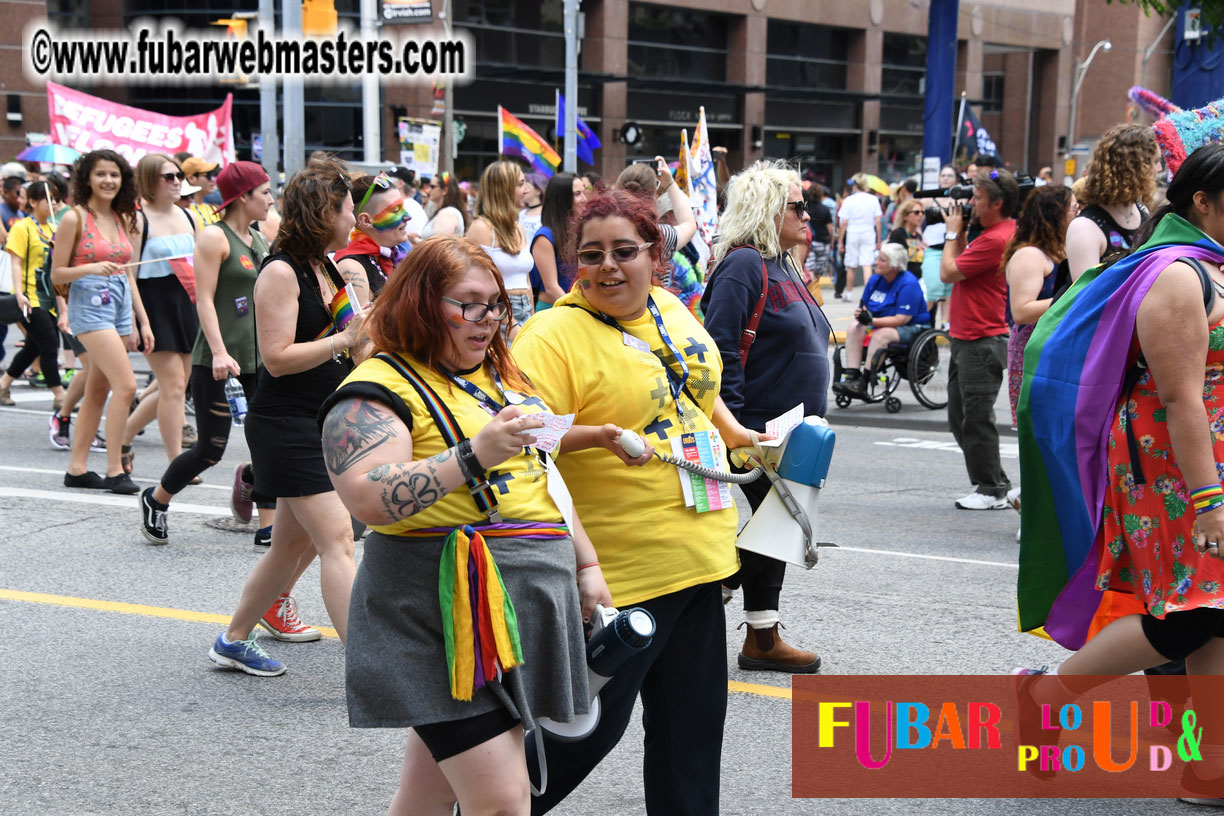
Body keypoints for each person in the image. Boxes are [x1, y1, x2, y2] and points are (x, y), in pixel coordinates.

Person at [319, 235, 604, 816]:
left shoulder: (500, 376)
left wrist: (587, 562)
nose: (488, 318)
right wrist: (474, 453)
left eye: (495, 303)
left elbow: (544, 477)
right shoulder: (378, 387)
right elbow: (368, 499)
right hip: (438, 613)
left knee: (427, 795)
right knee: (501, 802)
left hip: (518, 603)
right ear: (423, 304)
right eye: (468, 304)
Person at [514, 189, 766, 815]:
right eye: (592, 254)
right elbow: (522, 438)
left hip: (702, 559)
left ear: (655, 254)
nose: (607, 267)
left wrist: (735, 434)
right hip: (619, 576)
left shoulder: (669, 307)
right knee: (577, 737)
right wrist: (592, 436)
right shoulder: (551, 336)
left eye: (624, 252)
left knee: (692, 736)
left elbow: (696, 389)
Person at [1013, 143, 1224, 801]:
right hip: (1173, 468)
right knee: (1188, 614)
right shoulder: (1179, 274)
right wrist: (1209, 497)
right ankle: (1044, 696)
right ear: (1203, 200)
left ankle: (1207, 767)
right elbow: (1179, 398)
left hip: (1202, 460)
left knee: (1213, 611)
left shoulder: (1211, 267)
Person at [206, 157, 364, 676]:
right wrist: (344, 339)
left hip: (319, 419)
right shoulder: (280, 271)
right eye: (347, 209)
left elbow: (356, 343)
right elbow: (276, 357)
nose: (354, 219)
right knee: (337, 538)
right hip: (285, 424)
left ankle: (231, 640)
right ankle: (368, 661)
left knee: (290, 548)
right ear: (324, 213)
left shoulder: (329, 267)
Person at [700, 160, 831, 673]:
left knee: (774, 525)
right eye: (797, 206)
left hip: (794, 428)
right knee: (776, 525)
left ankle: (719, 594)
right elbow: (719, 346)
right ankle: (760, 635)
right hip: (756, 426)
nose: (808, 214)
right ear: (767, 209)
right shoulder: (743, 264)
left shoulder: (786, 265)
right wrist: (734, 425)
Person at [138, 162, 283, 557]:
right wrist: (219, 351)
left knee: (266, 442)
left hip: (257, 362)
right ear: (243, 196)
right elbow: (203, 298)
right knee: (210, 449)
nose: (270, 199)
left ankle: (267, 528)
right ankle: (157, 498)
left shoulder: (257, 240)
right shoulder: (213, 238)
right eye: (264, 192)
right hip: (217, 360)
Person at [51, 149, 152, 495]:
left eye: (115, 174)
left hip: (119, 304)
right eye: (100, 174)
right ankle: (114, 469)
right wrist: (90, 268)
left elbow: (129, 276)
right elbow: (56, 274)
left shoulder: (123, 219)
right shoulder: (73, 218)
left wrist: (143, 322)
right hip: (89, 306)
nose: (108, 180)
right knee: (125, 385)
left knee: (98, 388)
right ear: (86, 179)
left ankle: (76, 469)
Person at [939, 168, 1018, 510]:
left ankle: (991, 489)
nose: (971, 203)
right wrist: (962, 232)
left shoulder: (996, 238)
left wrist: (951, 232)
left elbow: (948, 271)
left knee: (976, 417)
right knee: (960, 416)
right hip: (968, 337)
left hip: (982, 339)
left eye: (977, 198)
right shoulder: (994, 232)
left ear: (997, 203)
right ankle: (995, 482)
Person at [118, 154, 198, 475]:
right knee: (174, 385)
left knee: (176, 387)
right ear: (150, 181)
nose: (178, 181)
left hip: (186, 300)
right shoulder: (138, 220)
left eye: (178, 175)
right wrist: (142, 320)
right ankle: (177, 463)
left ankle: (122, 437)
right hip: (153, 302)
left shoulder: (187, 215)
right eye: (169, 176)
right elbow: (129, 275)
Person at [1003, 185, 1075, 428]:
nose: (1078, 215)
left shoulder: (1059, 251)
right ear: (1056, 214)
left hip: (1053, 348)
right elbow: (1021, 311)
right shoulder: (1030, 255)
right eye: (1073, 209)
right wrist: (1073, 296)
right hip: (1033, 352)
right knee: (1038, 432)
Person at [1066, 123, 1160, 283]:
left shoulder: (1141, 210)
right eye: (1156, 161)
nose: (1159, 168)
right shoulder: (1084, 227)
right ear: (1135, 167)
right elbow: (1087, 297)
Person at [0, 181, 66, 409]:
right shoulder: (22, 227)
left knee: (33, 347)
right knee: (49, 344)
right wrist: (19, 293)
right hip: (29, 296)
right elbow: (16, 264)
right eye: (47, 200)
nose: (53, 204)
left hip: (50, 298)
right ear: (31, 202)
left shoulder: (55, 229)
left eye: (56, 199)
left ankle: (3, 385)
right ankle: (60, 396)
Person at [835, 242, 931, 394]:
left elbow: (901, 319)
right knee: (854, 327)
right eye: (877, 258)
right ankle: (852, 376)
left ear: (894, 265)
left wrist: (872, 321)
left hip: (913, 327)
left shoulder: (908, 283)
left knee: (882, 335)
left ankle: (863, 381)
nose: (876, 263)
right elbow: (864, 305)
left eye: (881, 260)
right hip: (882, 322)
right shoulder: (875, 280)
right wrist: (861, 314)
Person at [467, 161, 536, 340]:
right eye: (521, 184)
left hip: (524, 309)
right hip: (497, 313)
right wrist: (508, 321)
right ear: (503, 189)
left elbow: (526, 280)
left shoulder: (519, 227)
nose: (527, 190)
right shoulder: (481, 228)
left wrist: (532, 318)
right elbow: (479, 283)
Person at [333, 173, 412, 306]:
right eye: (395, 210)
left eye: (403, 208)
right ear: (366, 220)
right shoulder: (352, 266)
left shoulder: (391, 256)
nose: (407, 216)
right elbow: (359, 326)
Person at [614, 157, 696, 259]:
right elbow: (689, 224)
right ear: (654, 196)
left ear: (617, 188)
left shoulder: (599, 230)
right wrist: (669, 183)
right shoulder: (659, 236)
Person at [529, 172, 586, 309]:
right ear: (562, 199)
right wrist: (577, 309)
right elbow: (551, 287)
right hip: (553, 309)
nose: (584, 199)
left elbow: (585, 277)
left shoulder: (580, 231)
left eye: (584, 192)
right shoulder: (544, 237)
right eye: (577, 194)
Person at [920, 165, 959, 328]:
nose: (945, 178)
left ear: (956, 179)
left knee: (949, 289)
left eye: (949, 175)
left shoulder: (961, 200)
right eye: (943, 175)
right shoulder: (928, 199)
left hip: (952, 247)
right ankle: (925, 321)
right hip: (932, 248)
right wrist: (920, 238)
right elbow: (912, 217)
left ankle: (945, 322)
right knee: (932, 287)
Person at [836, 173, 883, 302]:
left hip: (852, 233)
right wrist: (879, 239)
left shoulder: (849, 200)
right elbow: (878, 221)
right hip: (868, 233)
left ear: (855, 185)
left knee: (851, 265)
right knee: (867, 264)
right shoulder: (873, 199)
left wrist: (840, 240)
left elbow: (844, 222)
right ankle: (868, 294)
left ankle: (849, 293)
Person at [418, 171, 469, 239]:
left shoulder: (448, 213)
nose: (429, 190)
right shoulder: (446, 212)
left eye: (432, 187)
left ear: (444, 190)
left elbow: (438, 246)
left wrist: (415, 240)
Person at [804, 184, 834, 289]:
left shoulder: (806, 209)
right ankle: (815, 290)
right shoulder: (825, 209)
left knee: (810, 268)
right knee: (819, 270)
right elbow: (830, 228)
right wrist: (832, 242)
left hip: (809, 241)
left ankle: (812, 289)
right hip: (823, 241)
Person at [887, 198, 925, 277]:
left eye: (922, 212)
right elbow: (892, 260)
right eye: (916, 212)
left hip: (918, 279)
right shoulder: (898, 233)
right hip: (902, 279)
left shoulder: (918, 236)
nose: (920, 215)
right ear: (905, 216)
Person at [181, 157, 220, 226]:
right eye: (208, 175)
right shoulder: (183, 211)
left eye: (212, 174)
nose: (213, 179)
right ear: (191, 178)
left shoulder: (213, 208)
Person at [519, 171, 547, 239]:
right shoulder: (521, 213)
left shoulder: (546, 215)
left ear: (538, 191)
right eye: (522, 186)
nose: (523, 190)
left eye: (527, 187)